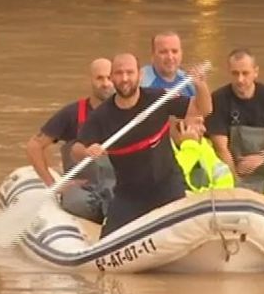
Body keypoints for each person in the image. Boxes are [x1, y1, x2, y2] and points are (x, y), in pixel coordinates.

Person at [72, 53, 213, 237]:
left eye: (130, 73)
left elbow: (204, 109)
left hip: (167, 185)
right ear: (112, 77)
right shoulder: (101, 116)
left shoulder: (159, 99)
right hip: (129, 194)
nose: (124, 79)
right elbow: (76, 150)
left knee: (185, 234)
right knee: (108, 240)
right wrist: (88, 152)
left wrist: (200, 86)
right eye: (119, 73)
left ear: (140, 75)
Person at [25, 58, 117, 224]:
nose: (106, 83)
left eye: (110, 78)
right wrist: (53, 185)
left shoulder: (126, 114)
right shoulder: (72, 113)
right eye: (99, 78)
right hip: (81, 190)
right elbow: (34, 146)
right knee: (78, 203)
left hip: (115, 187)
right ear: (89, 80)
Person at [206, 48, 264, 194]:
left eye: (245, 73)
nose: (240, 80)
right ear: (228, 72)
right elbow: (221, 148)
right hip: (234, 173)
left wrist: (261, 158)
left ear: (256, 72)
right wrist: (236, 184)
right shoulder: (218, 99)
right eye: (235, 73)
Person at [172, 116, 235, 193]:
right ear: (180, 125)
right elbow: (173, 180)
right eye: (198, 123)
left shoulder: (203, 144)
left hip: (213, 202)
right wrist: (190, 146)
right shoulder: (161, 150)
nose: (204, 129)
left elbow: (225, 178)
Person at [140, 31, 196, 97]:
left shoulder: (188, 81)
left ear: (181, 54)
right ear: (153, 55)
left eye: (174, 51)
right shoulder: (141, 81)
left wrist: (202, 87)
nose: (170, 57)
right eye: (163, 52)